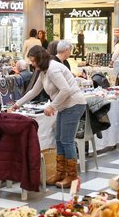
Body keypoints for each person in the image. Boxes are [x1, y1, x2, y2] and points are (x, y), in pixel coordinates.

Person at [9, 45, 86, 187]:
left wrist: (52, 106)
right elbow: (34, 91)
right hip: (65, 106)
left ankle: (72, 176)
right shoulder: (43, 71)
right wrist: (17, 104)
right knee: (59, 138)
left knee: (67, 140)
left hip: (74, 104)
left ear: (39, 58)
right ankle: (61, 172)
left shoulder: (53, 69)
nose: (32, 64)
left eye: (33, 61)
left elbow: (66, 90)